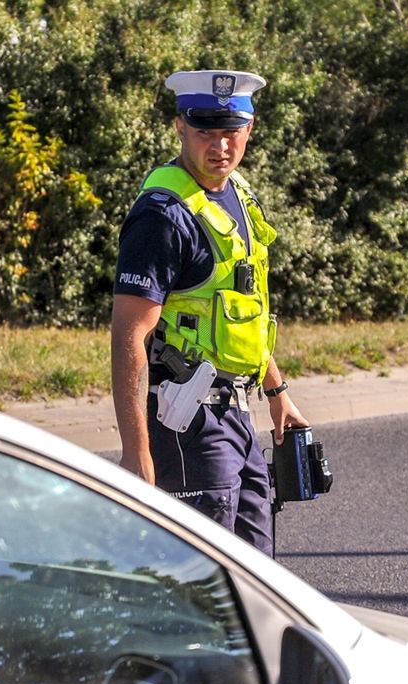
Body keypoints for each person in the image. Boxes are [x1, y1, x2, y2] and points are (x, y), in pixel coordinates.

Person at [111, 69, 309, 556]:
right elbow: (128, 337)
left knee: (256, 576)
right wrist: (136, 452)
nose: (220, 145)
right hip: (187, 423)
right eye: (205, 130)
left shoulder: (238, 197)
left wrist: (276, 390)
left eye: (231, 131)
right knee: (202, 581)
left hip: (239, 416)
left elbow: (244, 310)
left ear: (250, 128)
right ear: (180, 127)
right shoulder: (163, 215)